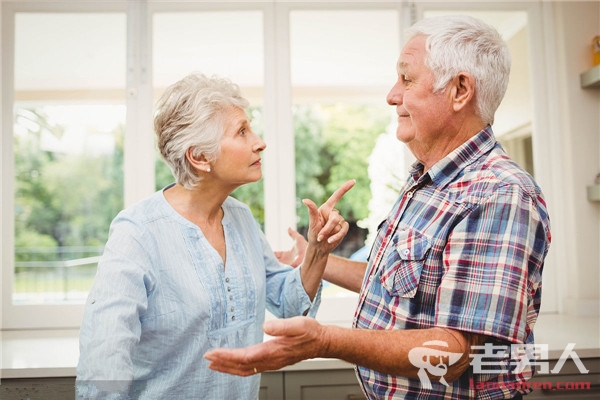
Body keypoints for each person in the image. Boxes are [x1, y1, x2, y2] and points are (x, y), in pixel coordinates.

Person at [205, 15, 551, 400]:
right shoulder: (428, 181)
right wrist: (316, 258)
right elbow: (403, 282)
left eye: (407, 79)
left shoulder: (498, 193)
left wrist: (324, 341)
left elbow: (453, 353)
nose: (392, 95)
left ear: (459, 90)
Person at [76, 73, 355, 399]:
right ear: (199, 157)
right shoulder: (138, 233)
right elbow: (104, 364)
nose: (259, 141)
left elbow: (290, 304)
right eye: (241, 131)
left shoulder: (241, 217)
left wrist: (318, 252)